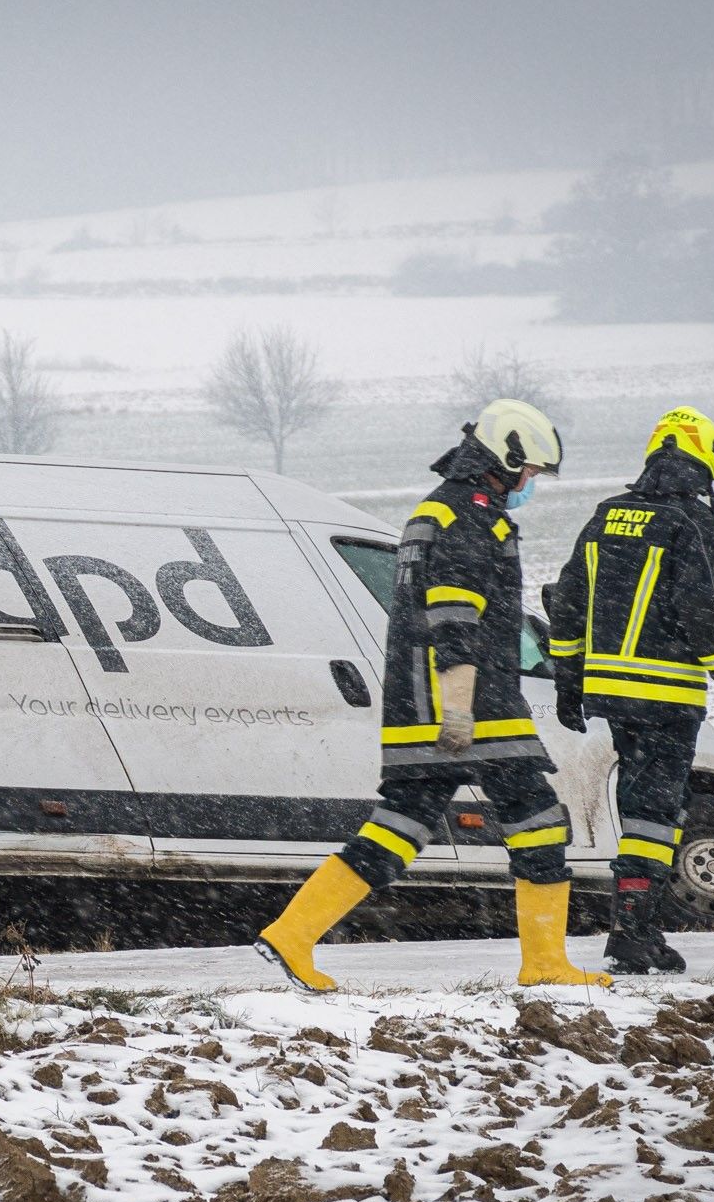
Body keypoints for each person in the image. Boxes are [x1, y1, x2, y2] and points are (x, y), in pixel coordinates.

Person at [255, 399, 610, 992]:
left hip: (418, 699)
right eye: (528, 471)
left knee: (401, 823)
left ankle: (292, 935)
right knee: (539, 821)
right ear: (505, 458)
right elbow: (453, 614)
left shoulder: (435, 509)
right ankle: (545, 962)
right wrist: (461, 704)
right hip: (472, 702)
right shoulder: (470, 515)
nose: (530, 482)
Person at [543, 407, 714, 975]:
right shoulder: (691, 522)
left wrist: (569, 683)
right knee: (655, 814)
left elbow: (567, 603)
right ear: (705, 462)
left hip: (611, 696)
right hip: (667, 696)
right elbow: (708, 613)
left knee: (639, 807)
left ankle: (632, 927)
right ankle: (634, 932)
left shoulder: (606, 515)